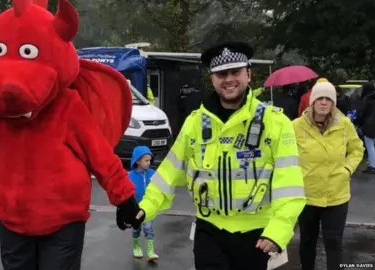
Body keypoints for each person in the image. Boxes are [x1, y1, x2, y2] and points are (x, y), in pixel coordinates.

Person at [0, 0, 141, 269]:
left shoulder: (67, 106)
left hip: (62, 221)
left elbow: (99, 154)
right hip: (12, 218)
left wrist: (124, 198)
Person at [127, 41, 307, 270]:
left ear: (249, 74)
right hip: (209, 232)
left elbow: (290, 185)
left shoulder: (276, 123)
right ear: (212, 78)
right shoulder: (194, 123)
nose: (229, 79)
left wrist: (278, 231)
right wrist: (146, 208)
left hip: (258, 236)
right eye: (221, 73)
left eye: (235, 72)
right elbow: (168, 172)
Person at [292, 79, 364, 270]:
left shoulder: (344, 124)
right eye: (320, 98)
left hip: (336, 195)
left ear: (333, 103)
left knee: (333, 242)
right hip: (307, 195)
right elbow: (285, 154)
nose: (324, 102)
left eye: (328, 99)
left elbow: (357, 149)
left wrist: (347, 169)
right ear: (312, 101)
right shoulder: (296, 126)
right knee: (307, 241)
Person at [128, 146, 159, 261]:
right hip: (136, 209)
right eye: (146, 160)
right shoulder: (130, 176)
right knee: (136, 228)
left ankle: (150, 251)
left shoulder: (152, 173)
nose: (149, 163)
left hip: (148, 209)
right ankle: (136, 246)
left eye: (150, 160)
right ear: (137, 161)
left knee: (148, 228)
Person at [354, 82, 375, 174]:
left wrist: (356, 122)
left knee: (370, 146)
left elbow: (362, 113)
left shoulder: (367, 99)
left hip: (369, 125)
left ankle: (372, 166)